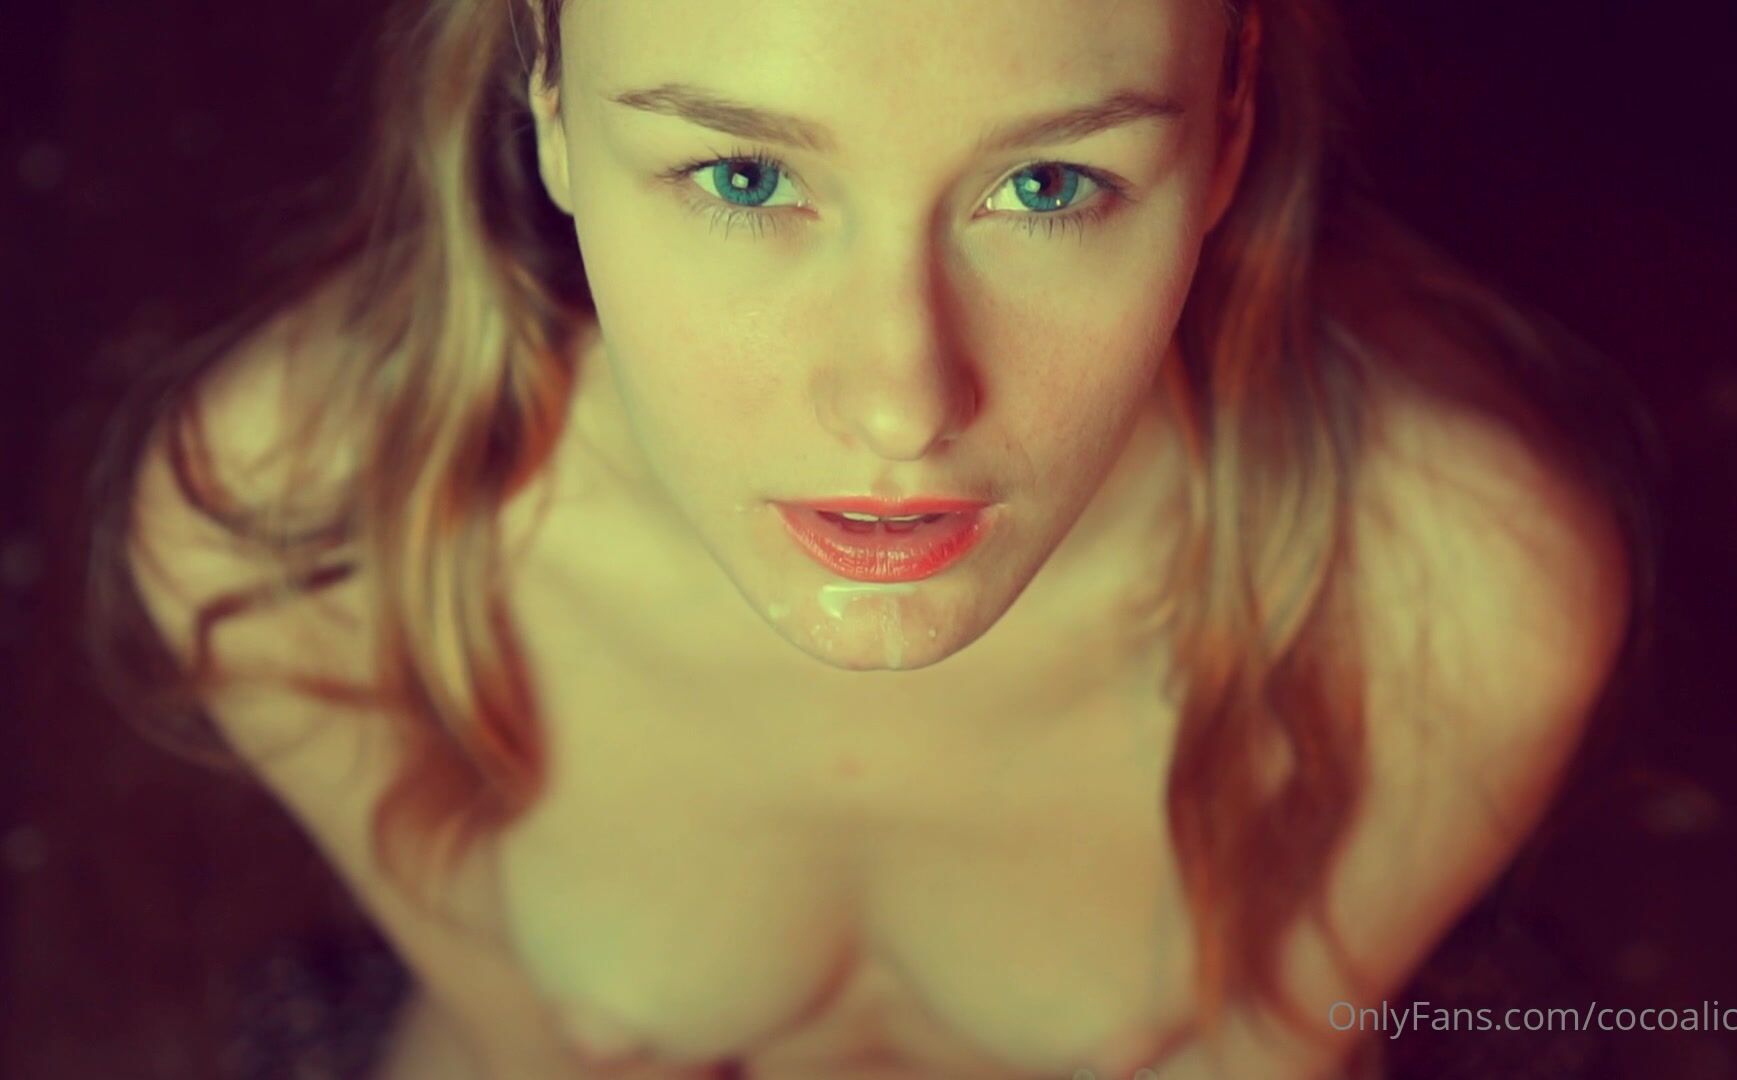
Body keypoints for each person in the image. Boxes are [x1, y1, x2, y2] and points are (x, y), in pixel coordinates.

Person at [82, 0, 1657, 1076]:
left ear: (1228, 123)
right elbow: (525, 1050)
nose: (903, 405)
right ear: (547, 94)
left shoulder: (1454, 595)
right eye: (744, 173)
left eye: (1049, 183)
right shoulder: (299, 538)